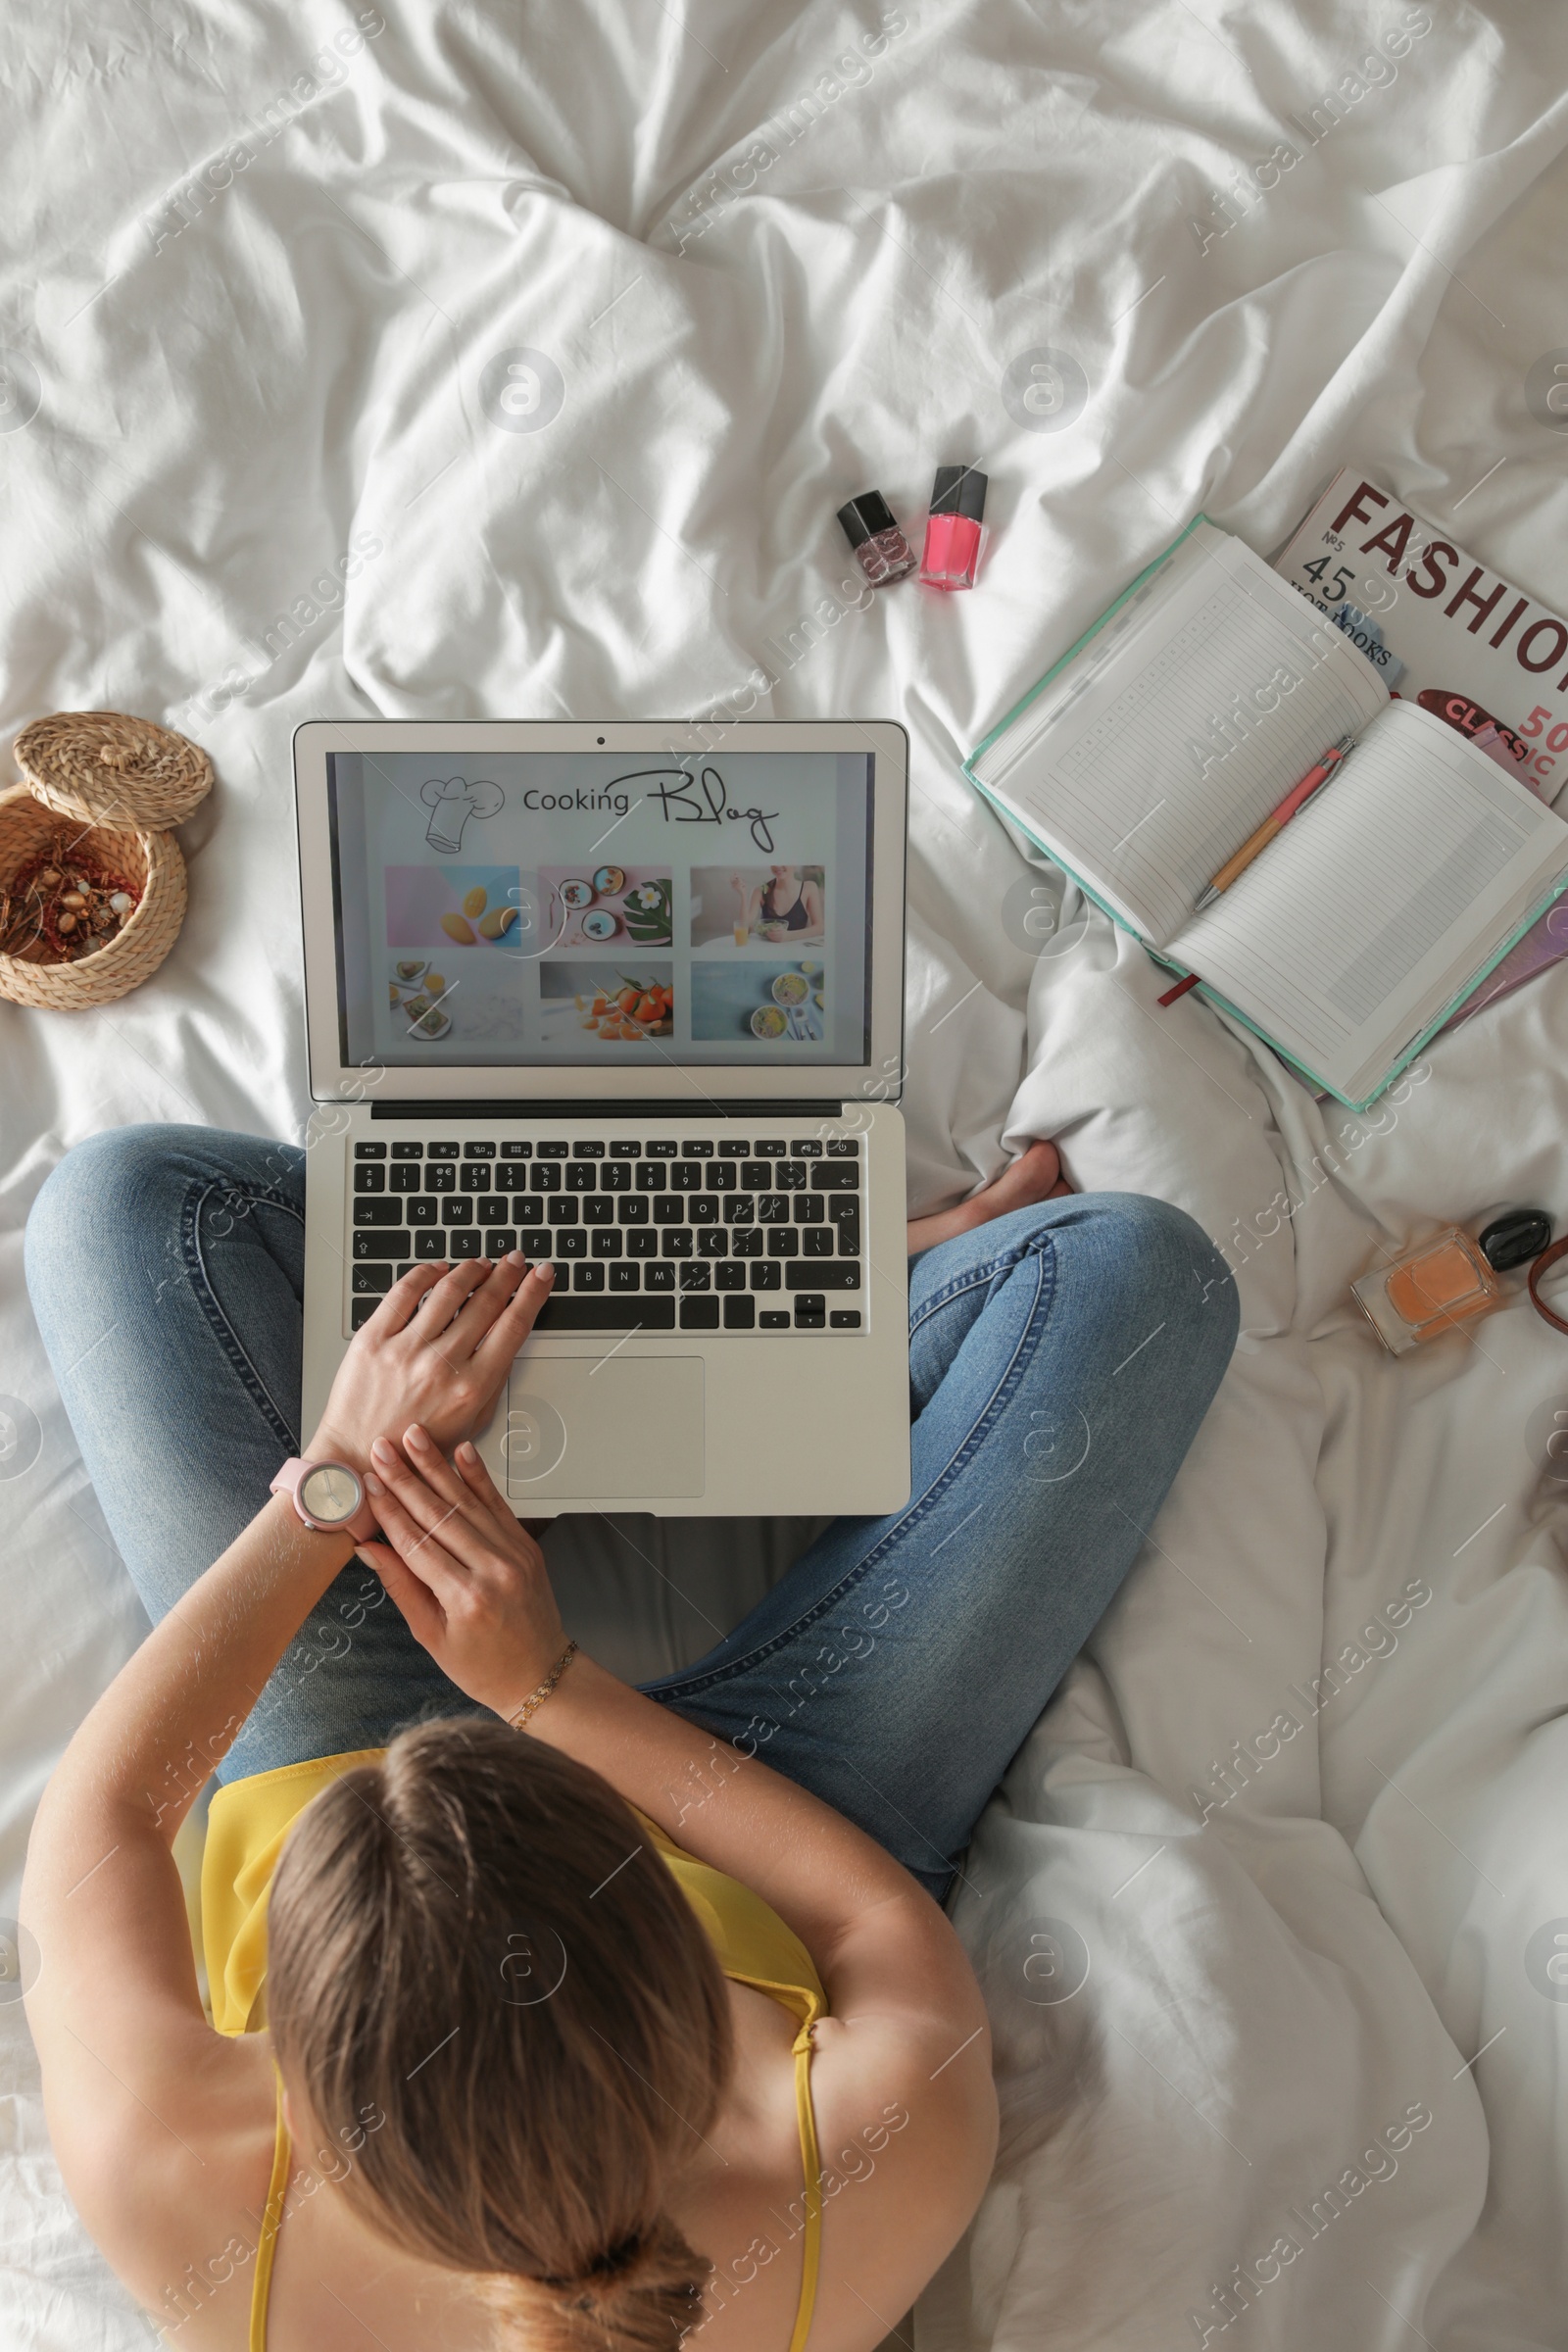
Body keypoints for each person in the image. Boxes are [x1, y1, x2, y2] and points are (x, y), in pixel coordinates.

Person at [21, 1126, 1236, 2352]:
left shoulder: (180, 2184)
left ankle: (642, 1334)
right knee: (1138, 1278)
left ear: (308, 2096)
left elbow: (100, 1825)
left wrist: (337, 1480)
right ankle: (778, 1298)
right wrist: (545, 1686)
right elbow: (863, 1921)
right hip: (771, 1814)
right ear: (681, 1986)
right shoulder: (870, 2151)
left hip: (341, 1744)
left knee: (121, 1207)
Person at [732, 865, 825, 945]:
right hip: (768, 951)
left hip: (797, 951)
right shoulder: (761, 890)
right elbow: (745, 930)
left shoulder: (809, 887)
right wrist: (743, 895)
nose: (777, 865)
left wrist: (789, 936)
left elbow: (819, 927)